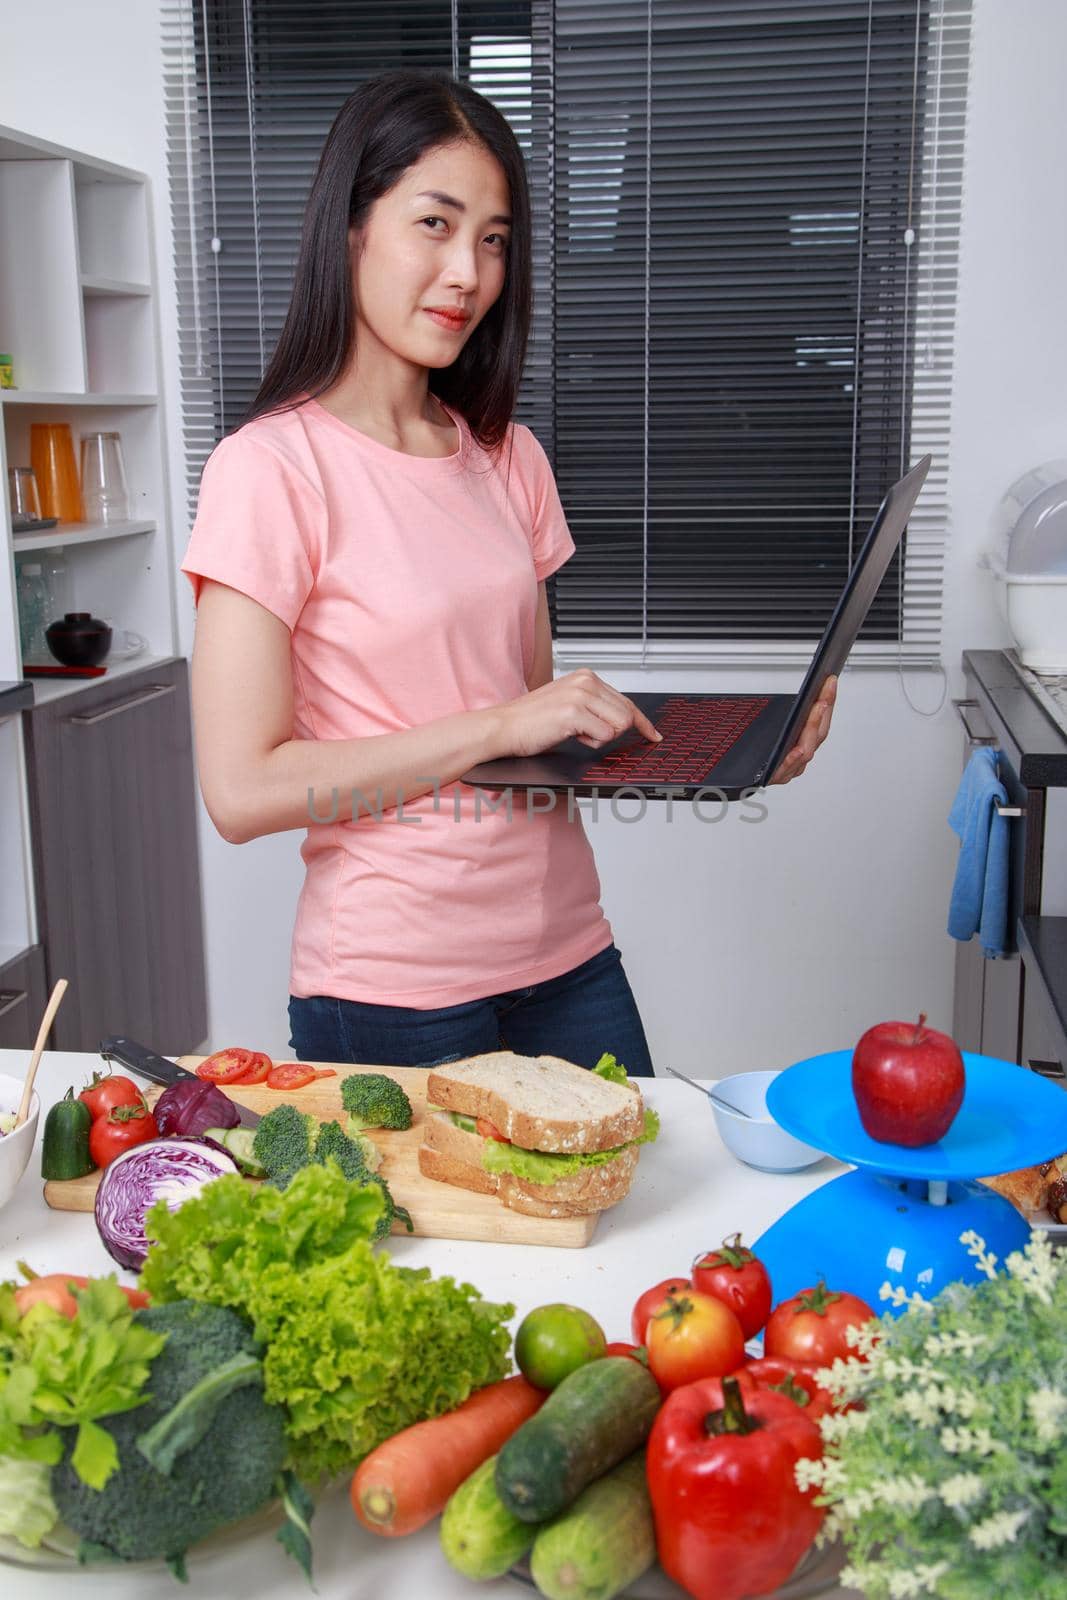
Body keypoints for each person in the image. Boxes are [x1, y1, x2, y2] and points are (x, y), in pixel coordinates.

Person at [180, 68, 835, 1080]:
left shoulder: (506, 457)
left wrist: (737, 756)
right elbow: (241, 788)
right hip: (390, 985)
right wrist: (495, 724)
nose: (468, 273)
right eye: (434, 224)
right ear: (349, 228)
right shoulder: (269, 470)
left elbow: (534, 729)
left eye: (492, 239)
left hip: (565, 951)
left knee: (641, 1217)